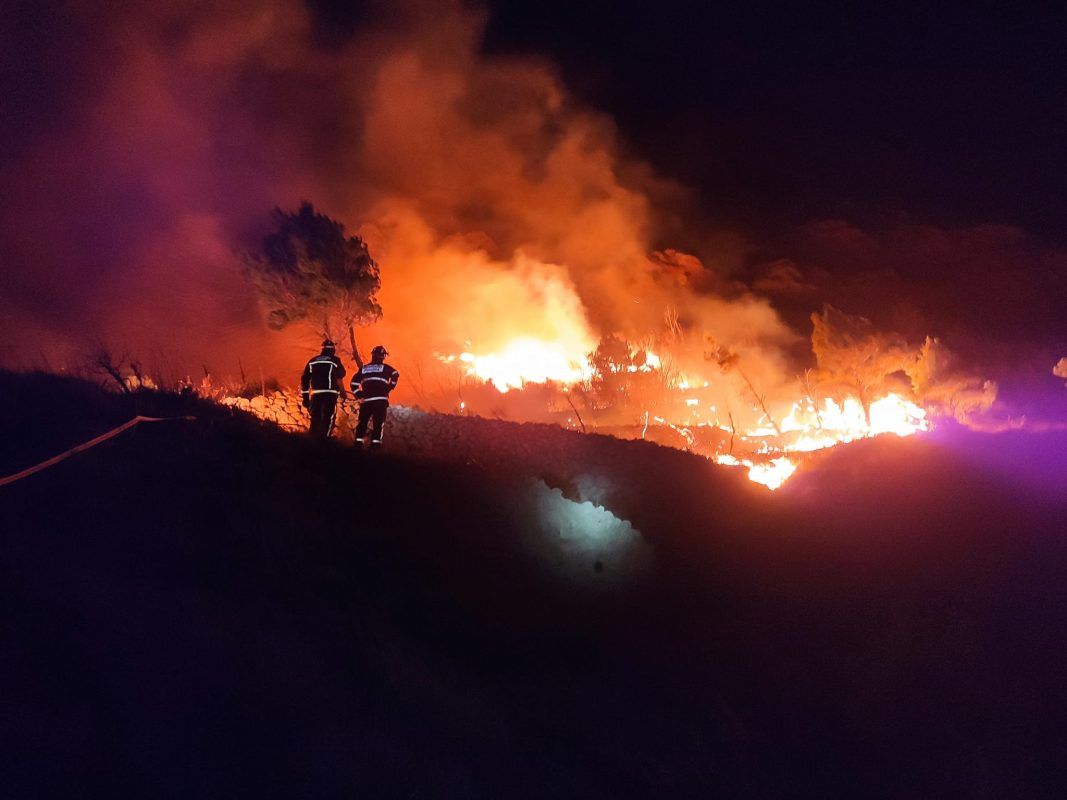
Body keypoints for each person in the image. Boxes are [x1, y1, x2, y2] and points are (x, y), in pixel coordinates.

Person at [351, 345, 399, 449]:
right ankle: (375, 446)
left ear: (372, 355)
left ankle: (358, 443)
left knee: (362, 422)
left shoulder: (364, 369)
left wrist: (359, 394)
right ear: (383, 356)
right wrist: (390, 387)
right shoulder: (386, 368)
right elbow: (395, 373)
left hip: (366, 400)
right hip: (380, 401)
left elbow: (353, 382)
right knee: (378, 424)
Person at [300, 338, 346, 440]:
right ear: (333, 349)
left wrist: (305, 398)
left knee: (315, 418)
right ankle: (324, 441)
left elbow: (305, 379)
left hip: (316, 394)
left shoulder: (313, 361)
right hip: (330, 393)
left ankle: (311, 441)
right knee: (327, 418)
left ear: (322, 349)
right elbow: (342, 373)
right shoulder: (335, 360)